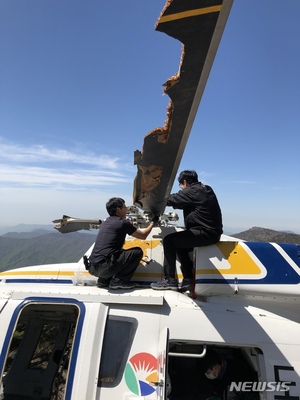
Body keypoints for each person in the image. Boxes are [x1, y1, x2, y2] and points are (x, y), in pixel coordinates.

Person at [150, 170, 223, 291]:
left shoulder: (193, 191)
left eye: (181, 186)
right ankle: (188, 279)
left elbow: (170, 199)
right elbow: (182, 202)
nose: (182, 189)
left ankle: (169, 280)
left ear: (185, 182)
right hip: (212, 232)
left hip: (205, 233)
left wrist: (153, 197)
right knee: (180, 245)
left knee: (169, 240)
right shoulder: (205, 189)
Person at [89, 197, 154, 290]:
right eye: (124, 207)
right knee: (137, 252)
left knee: (118, 251)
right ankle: (119, 281)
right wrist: (152, 223)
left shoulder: (105, 223)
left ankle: (103, 281)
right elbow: (143, 235)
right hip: (106, 267)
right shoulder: (122, 223)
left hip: (93, 268)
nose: (126, 209)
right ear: (118, 210)